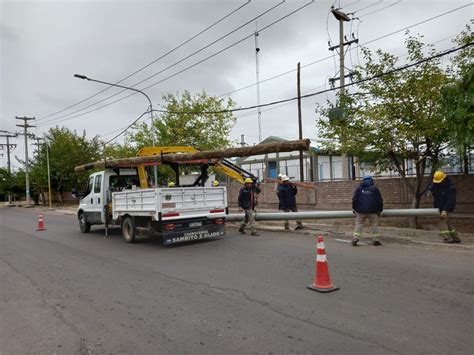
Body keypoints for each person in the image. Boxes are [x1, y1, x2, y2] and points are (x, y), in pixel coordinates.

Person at [428, 171, 460, 243]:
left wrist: (445, 210)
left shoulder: (451, 188)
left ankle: (448, 238)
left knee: (441, 222)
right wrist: (429, 192)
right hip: (439, 206)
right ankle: (456, 238)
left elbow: (450, 201)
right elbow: (431, 187)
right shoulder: (436, 183)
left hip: (447, 207)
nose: (437, 182)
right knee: (447, 222)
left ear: (443, 179)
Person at [352, 175, 383, 246]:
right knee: (374, 224)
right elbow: (379, 200)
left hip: (360, 211)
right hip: (373, 211)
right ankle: (376, 240)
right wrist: (379, 210)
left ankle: (356, 238)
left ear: (363, 180)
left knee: (359, 223)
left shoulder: (359, 188)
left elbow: (354, 199)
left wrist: (354, 208)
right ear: (371, 180)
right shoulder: (375, 188)